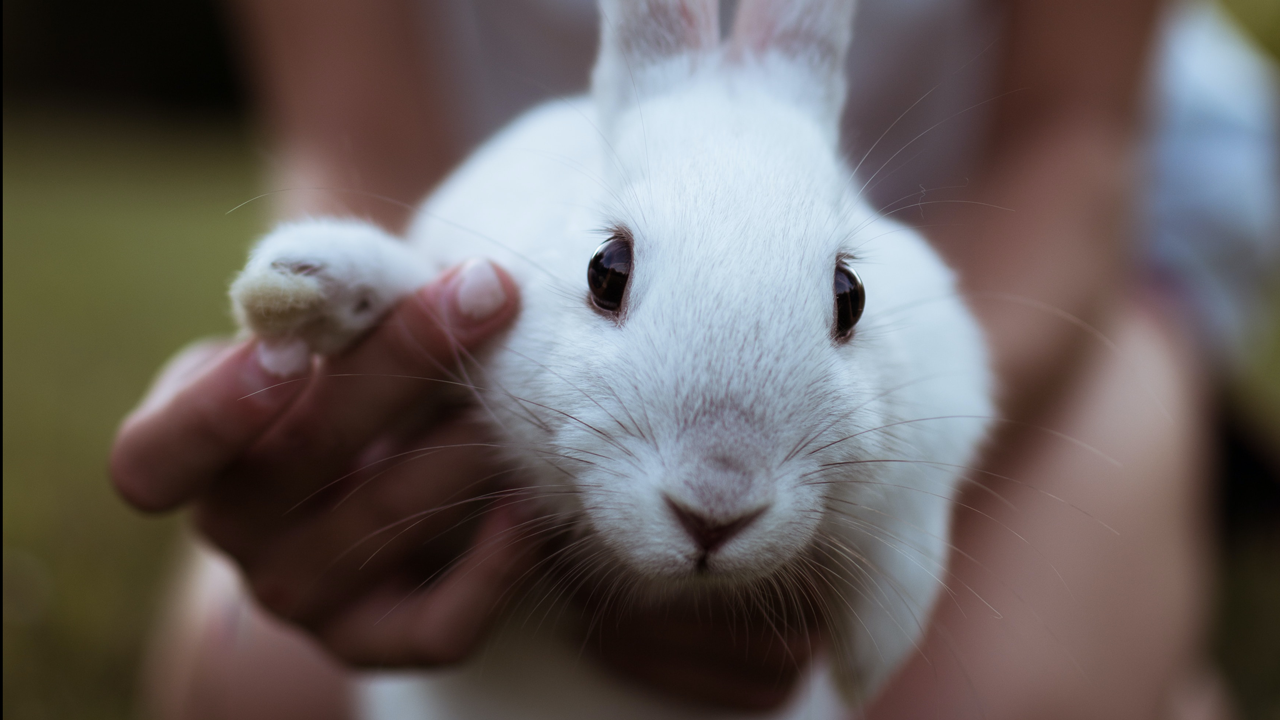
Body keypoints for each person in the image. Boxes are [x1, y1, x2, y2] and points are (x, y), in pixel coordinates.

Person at [111, 0, 1265, 717]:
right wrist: (366, 388)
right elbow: (358, 142)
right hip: (566, 174)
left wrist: (886, 504)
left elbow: (1068, 139)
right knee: (262, 684)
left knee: (993, 700)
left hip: (1036, 219)